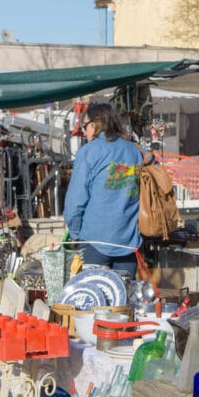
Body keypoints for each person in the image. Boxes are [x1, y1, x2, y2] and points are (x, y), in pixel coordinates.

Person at [63, 102, 142, 277]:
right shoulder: (134, 151)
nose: (84, 131)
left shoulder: (89, 152)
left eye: (85, 126)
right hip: (128, 241)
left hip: (95, 240)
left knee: (95, 298)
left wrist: (75, 233)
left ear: (95, 124)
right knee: (124, 299)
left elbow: (75, 202)